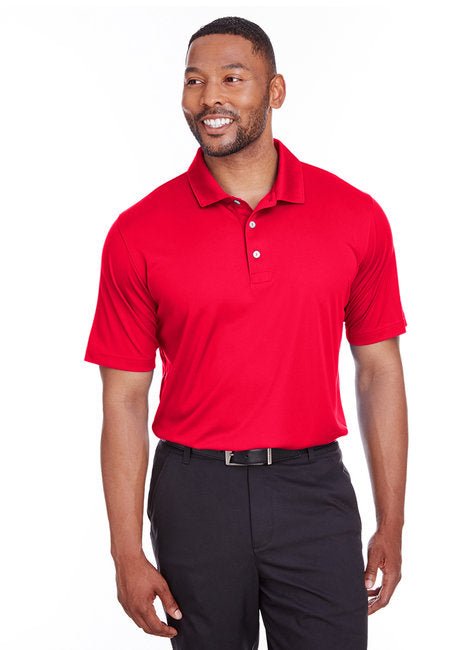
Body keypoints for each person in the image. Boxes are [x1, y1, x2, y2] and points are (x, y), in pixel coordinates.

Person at [84, 15, 408, 650]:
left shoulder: (356, 216)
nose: (211, 97)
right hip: (194, 493)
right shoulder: (137, 231)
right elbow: (122, 398)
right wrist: (125, 550)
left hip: (313, 487)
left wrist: (391, 523)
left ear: (275, 90)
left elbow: (380, 371)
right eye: (195, 81)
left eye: (232, 79)